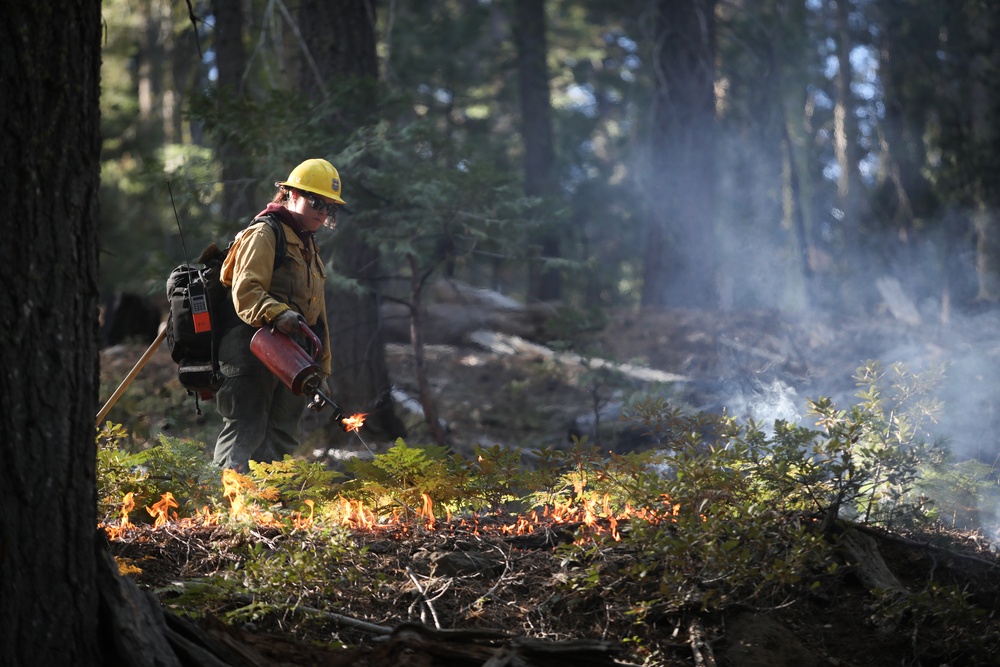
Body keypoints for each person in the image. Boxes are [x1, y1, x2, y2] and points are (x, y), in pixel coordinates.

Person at [212, 158, 344, 472]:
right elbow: (246, 291)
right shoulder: (265, 233)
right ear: (291, 194)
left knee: (281, 437)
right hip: (250, 349)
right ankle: (222, 498)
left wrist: (321, 372)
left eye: (329, 207)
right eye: (316, 202)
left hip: (292, 358)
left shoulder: (309, 247)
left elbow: (317, 318)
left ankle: (266, 498)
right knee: (246, 428)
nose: (322, 212)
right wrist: (277, 314)